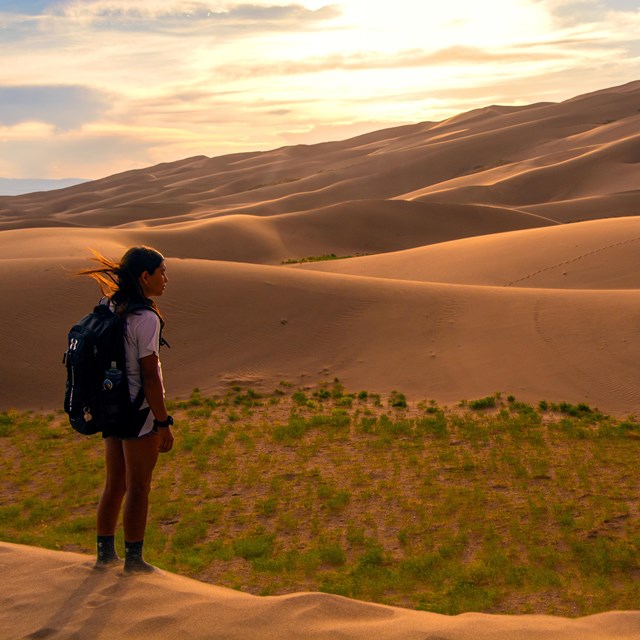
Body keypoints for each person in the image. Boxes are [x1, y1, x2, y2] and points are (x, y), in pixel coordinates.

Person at [80, 246, 174, 573]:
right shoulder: (145, 318)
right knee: (139, 486)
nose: (166, 279)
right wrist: (163, 422)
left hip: (111, 406)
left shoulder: (111, 306)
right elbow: (150, 375)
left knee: (115, 483)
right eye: (161, 272)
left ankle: (105, 554)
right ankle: (134, 560)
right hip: (137, 412)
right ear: (145, 277)